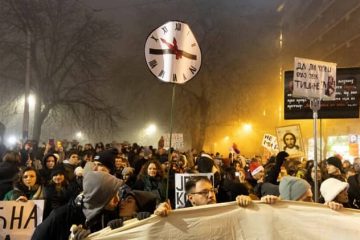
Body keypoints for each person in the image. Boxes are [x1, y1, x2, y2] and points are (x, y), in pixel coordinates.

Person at [31, 171, 123, 240]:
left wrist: (119, 228)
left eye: (118, 194)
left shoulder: (111, 213)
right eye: (112, 196)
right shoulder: (59, 217)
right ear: (98, 197)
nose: (118, 199)